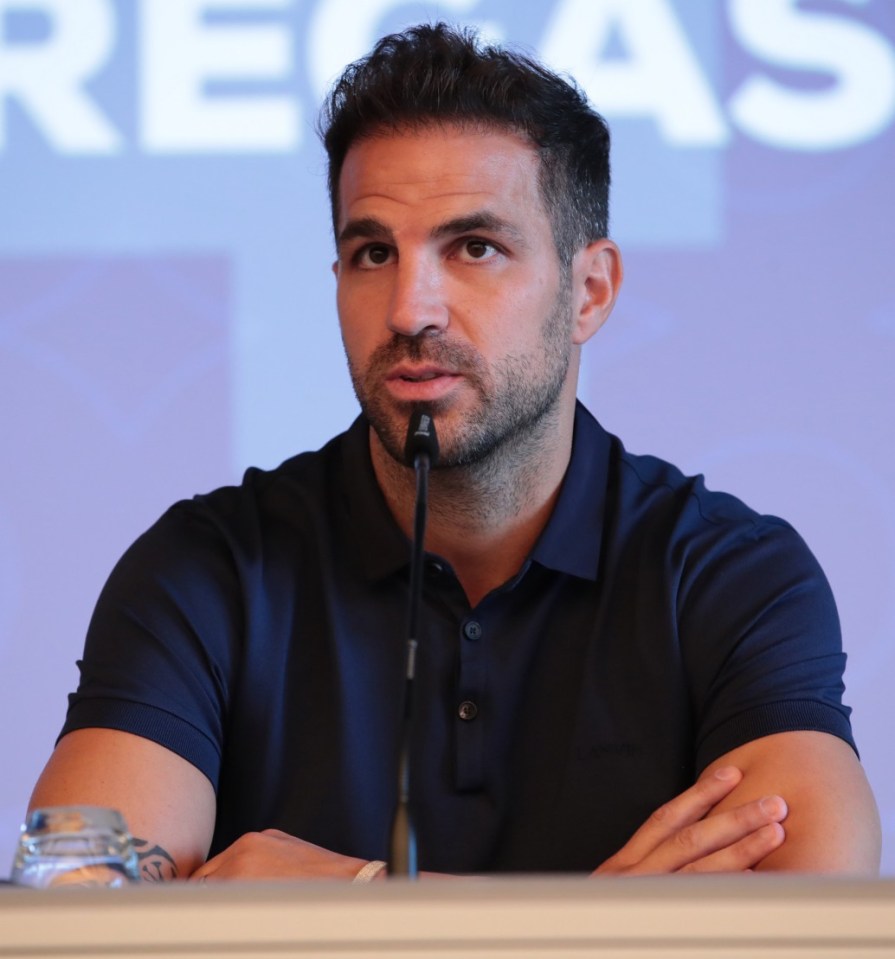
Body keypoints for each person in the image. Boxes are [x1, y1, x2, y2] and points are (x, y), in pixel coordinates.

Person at [28, 23, 879, 882]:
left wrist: (353, 898)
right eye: (372, 253)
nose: (409, 309)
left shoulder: (727, 571)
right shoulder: (208, 567)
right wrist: (609, 924)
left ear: (590, 291)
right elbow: (80, 902)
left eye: (474, 248)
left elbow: (813, 892)